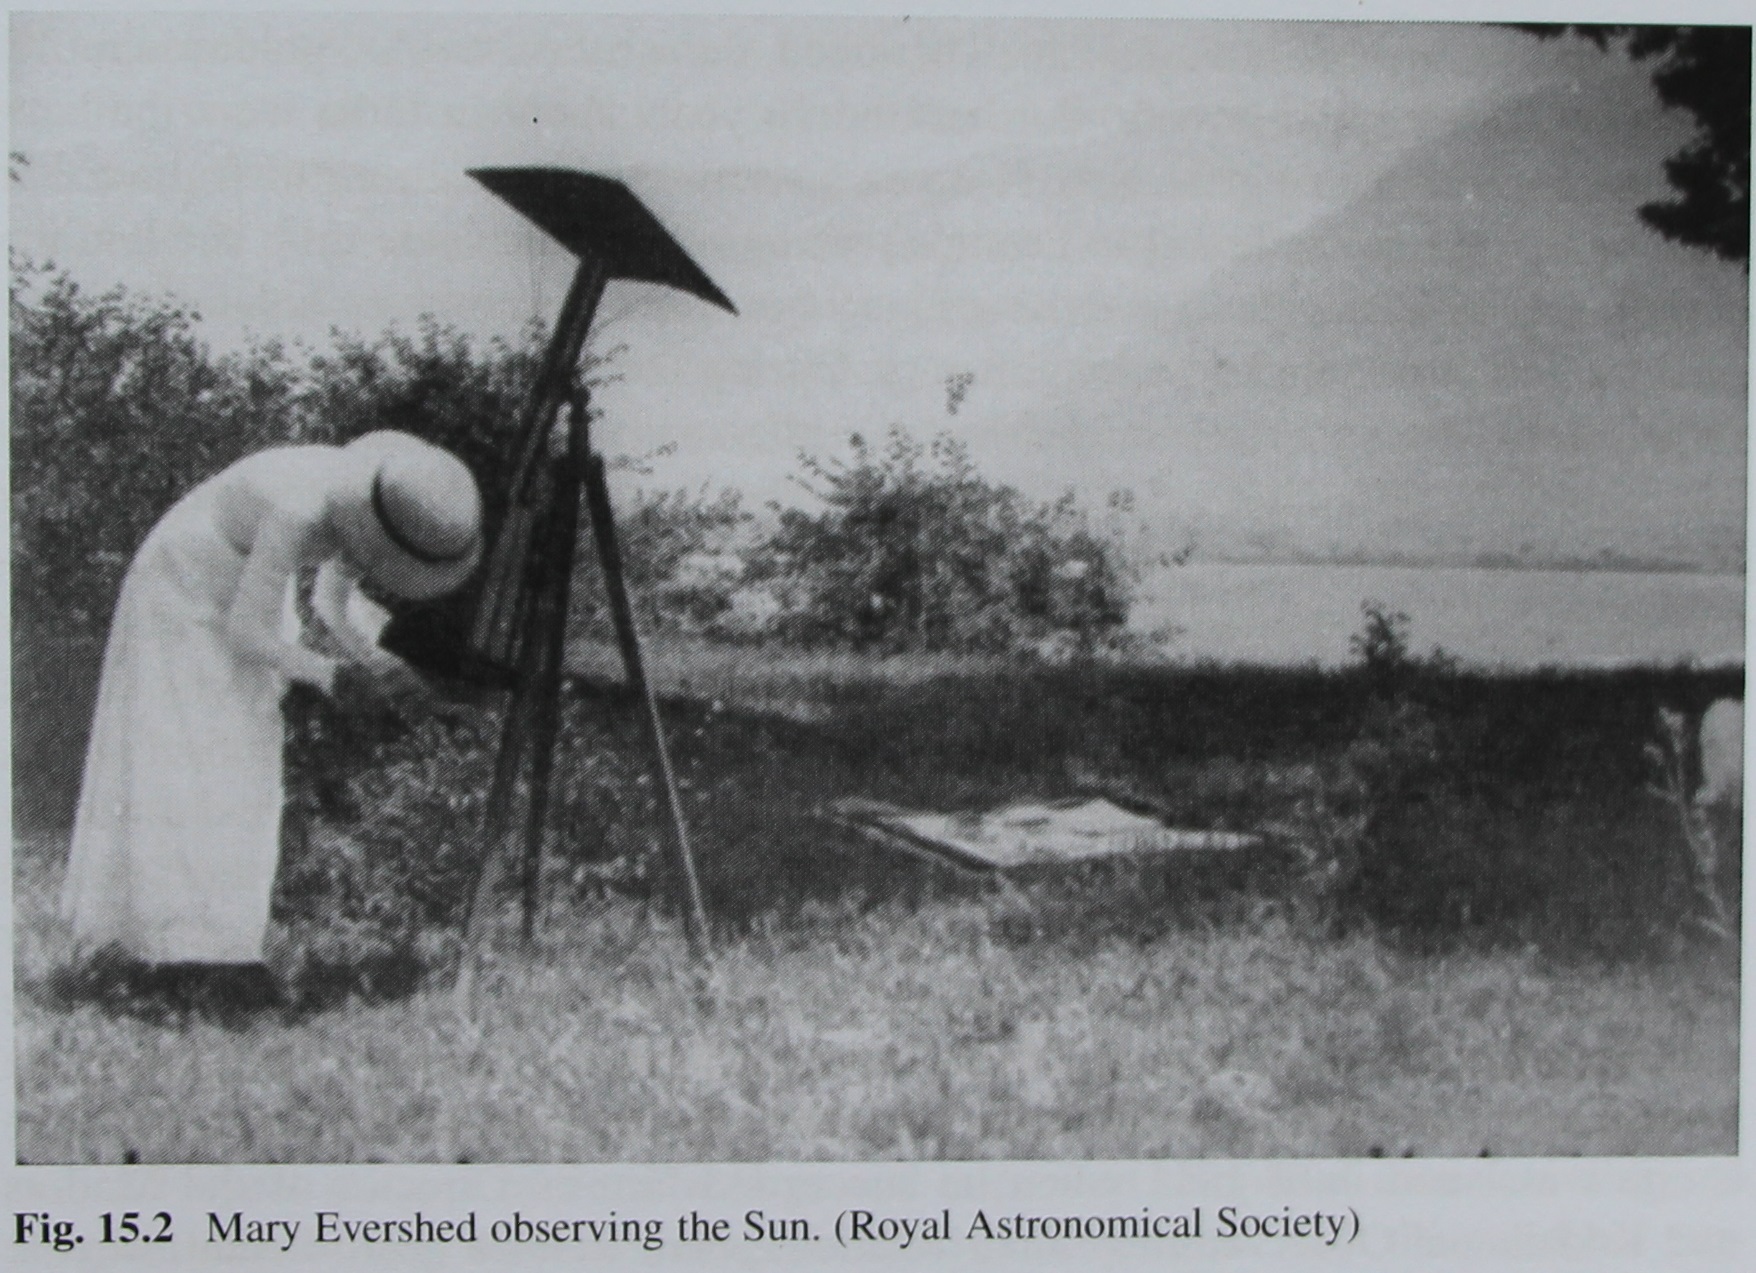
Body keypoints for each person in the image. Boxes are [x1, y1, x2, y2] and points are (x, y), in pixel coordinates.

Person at [61, 430, 484, 985]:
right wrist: (336, 678)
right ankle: (165, 950)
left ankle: (218, 947)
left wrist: (383, 667)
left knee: (246, 756)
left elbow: (328, 602)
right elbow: (246, 633)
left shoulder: (380, 510)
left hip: (246, 588)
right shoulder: (302, 506)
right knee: (186, 750)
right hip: (183, 581)